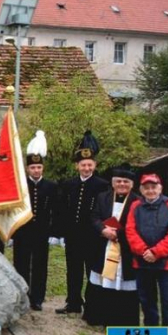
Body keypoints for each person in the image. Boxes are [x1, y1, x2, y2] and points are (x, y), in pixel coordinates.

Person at [126, 174, 168, 335]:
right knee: (148, 302)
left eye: (154, 187)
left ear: (160, 188)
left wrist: (156, 252)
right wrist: (144, 250)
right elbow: (130, 230)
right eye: (146, 187)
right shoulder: (136, 206)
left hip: (167, 265)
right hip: (142, 263)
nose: (150, 190)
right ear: (141, 190)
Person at [56, 131, 109, 315]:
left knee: (92, 273)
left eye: (89, 165)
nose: (86, 168)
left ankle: (93, 305)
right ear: (77, 165)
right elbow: (63, 211)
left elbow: (104, 212)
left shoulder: (102, 185)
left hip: (93, 237)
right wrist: (61, 233)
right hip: (73, 236)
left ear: (94, 165)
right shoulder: (69, 184)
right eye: (83, 165)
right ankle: (73, 302)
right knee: (73, 271)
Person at [84, 166, 139, 326]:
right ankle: (98, 316)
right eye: (118, 181)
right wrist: (103, 229)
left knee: (122, 282)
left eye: (126, 181)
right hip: (103, 245)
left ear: (132, 184)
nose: (122, 184)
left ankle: (119, 318)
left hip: (125, 248)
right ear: (113, 183)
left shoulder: (137, 201)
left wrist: (118, 235)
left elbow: (138, 224)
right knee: (102, 279)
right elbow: (94, 216)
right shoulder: (103, 197)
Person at [12, 151, 58, 311]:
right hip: (22, 232)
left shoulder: (51, 186)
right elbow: (13, 211)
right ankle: (22, 295)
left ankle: (37, 298)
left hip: (41, 232)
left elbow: (55, 211)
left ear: (43, 168)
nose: (36, 170)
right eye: (33, 167)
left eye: (39, 167)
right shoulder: (20, 185)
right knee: (21, 264)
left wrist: (54, 233)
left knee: (40, 265)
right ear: (27, 168)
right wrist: (12, 233)